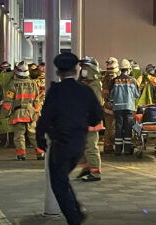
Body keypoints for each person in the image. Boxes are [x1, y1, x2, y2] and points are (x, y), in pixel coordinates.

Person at [36, 53, 103, 225]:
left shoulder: (56, 91)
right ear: (76, 69)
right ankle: (76, 212)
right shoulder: (85, 90)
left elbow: (45, 116)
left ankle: (74, 218)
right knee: (62, 179)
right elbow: (97, 116)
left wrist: (40, 137)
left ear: (58, 72)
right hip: (79, 144)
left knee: (58, 183)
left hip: (60, 144)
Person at [0, 61, 43, 160]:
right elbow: (37, 100)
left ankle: (21, 154)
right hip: (31, 113)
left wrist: (3, 114)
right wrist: (36, 112)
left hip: (18, 114)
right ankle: (40, 153)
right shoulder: (33, 84)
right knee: (33, 134)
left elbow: (8, 101)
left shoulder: (13, 85)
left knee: (19, 135)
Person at [77, 56, 103, 182]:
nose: (83, 70)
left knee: (91, 147)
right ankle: (87, 169)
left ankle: (95, 172)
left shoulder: (94, 84)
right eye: (82, 67)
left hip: (90, 120)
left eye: (85, 68)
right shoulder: (82, 83)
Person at [110, 59, 139, 156]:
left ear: (120, 69)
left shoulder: (114, 80)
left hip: (117, 108)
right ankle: (127, 150)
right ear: (129, 69)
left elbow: (111, 96)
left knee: (118, 127)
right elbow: (136, 95)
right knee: (128, 128)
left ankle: (118, 150)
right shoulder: (133, 80)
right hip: (129, 108)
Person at [101, 57, 119, 153]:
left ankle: (108, 145)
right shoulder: (111, 80)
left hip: (108, 105)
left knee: (109, 127)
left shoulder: (105, 78)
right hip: (111, 105)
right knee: (111, 127)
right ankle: (108, 147)